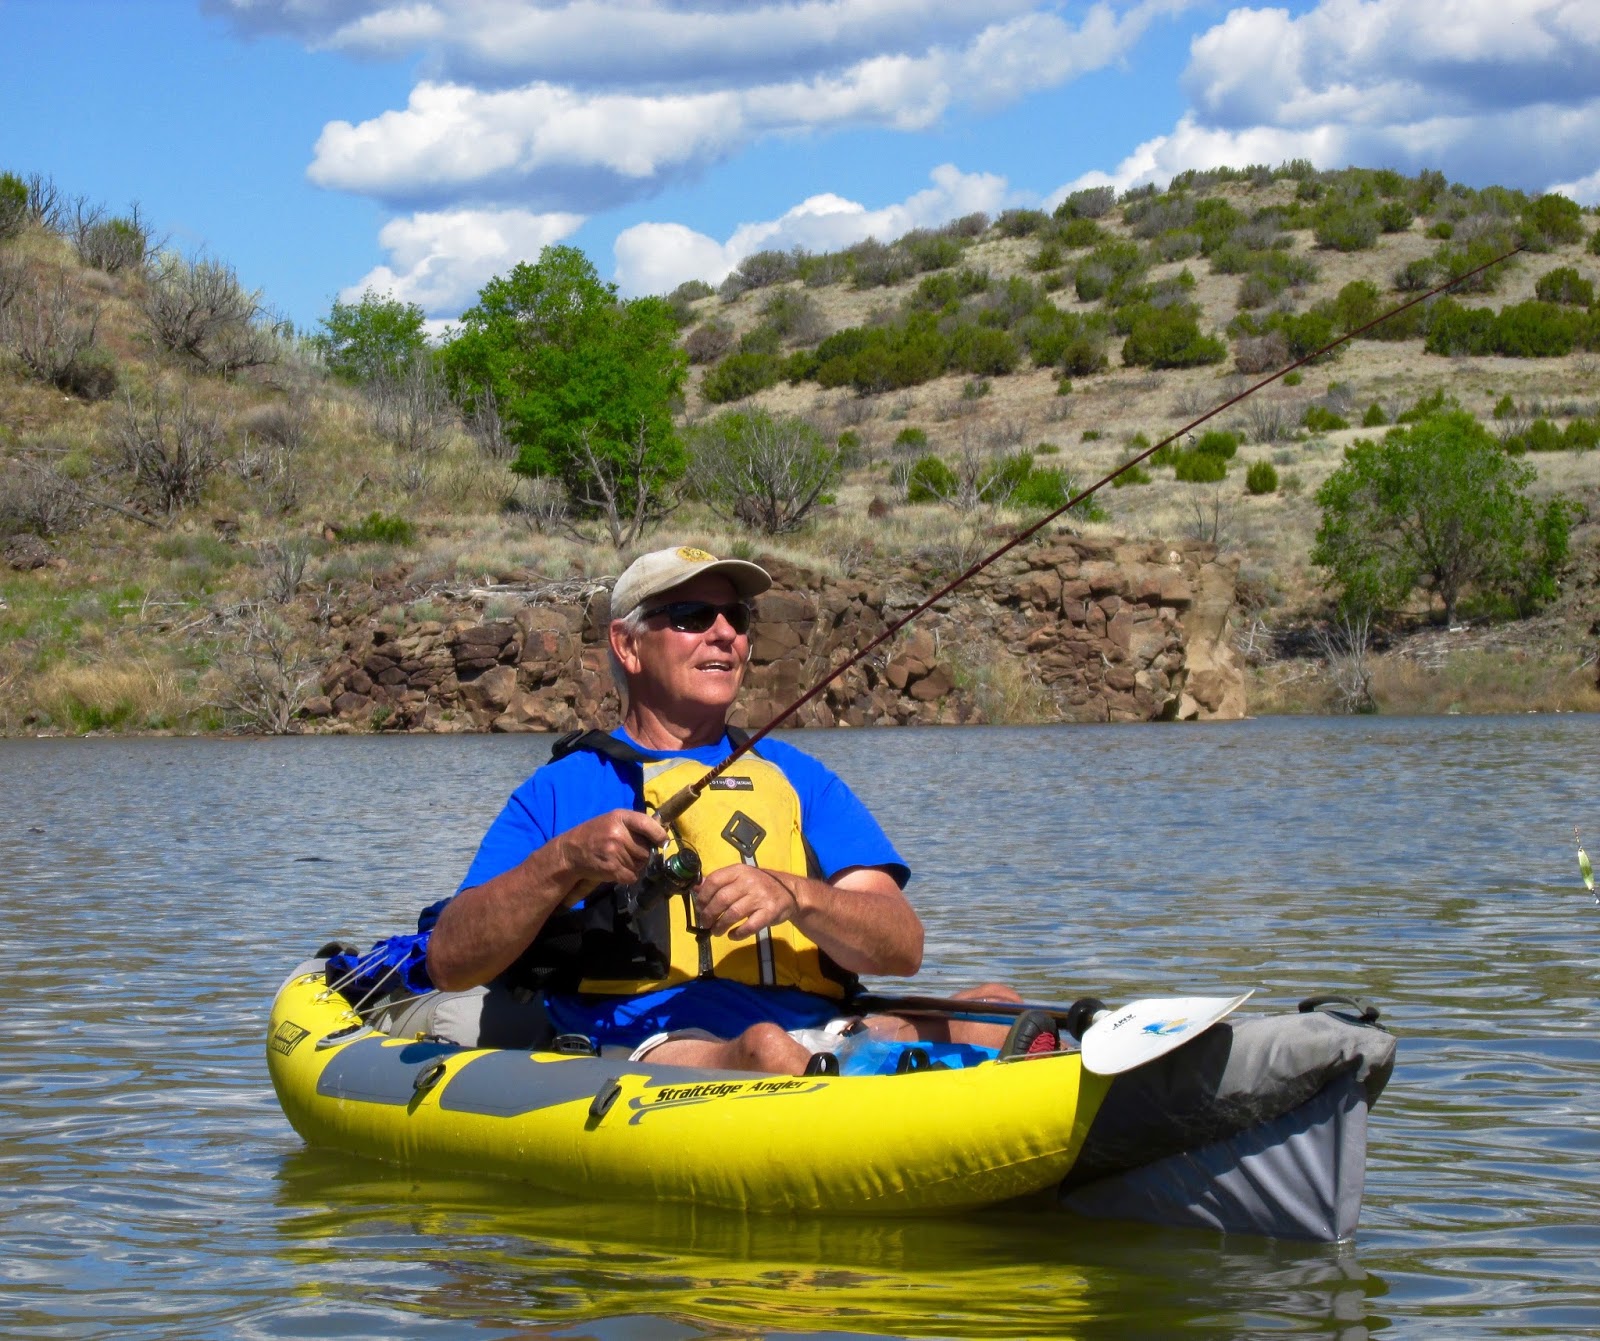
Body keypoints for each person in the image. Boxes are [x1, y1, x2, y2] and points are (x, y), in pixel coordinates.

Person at [400, 545, 1047, 1075]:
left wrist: (798, 896)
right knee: (764, 1047)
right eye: (690, 615)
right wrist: (564, 859)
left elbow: (902, 948)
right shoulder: (562, 789)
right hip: (655, 1046)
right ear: (627, 646)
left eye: (737, 617)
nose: (724, 634)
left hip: (824, 1027)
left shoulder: (800, 778)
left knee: (997, 1007)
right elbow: (453, 962)